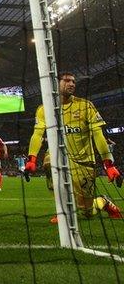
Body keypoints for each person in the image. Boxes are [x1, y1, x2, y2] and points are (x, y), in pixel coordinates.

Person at [25, 72, 122, 222]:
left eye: (73, 82)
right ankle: (63, 211)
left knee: (88, 212)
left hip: (83, 161)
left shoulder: (85, 106)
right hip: (58, 155)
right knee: (49, 162)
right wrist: (32, 159)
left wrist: (108, 164)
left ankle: (103, 201)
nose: (71, 84)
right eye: (67, 81)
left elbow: (98, 135)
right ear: (56, 84)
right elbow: (37, 135)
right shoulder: (45, 109)